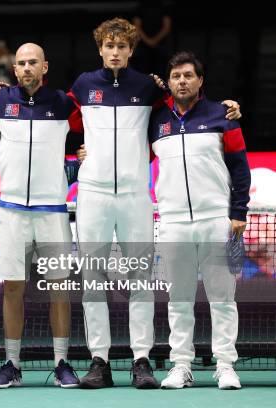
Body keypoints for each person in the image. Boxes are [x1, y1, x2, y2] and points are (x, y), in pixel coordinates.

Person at [67, 18, 241, 389]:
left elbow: (187, 108)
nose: (115, 52)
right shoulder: (82, 85)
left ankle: (141, 360)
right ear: (100, 49)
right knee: (93, 279)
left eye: (122, 47)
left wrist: (228, 108)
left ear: (131, 50)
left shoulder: (149, 88)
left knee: (139, 278)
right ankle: (99, 360)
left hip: (135, 196)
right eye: (108, 46)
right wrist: (74, 155)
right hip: (93, 194)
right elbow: (50, 117)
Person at [0, 43, 84, 389]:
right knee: (12, 287)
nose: (25, 68)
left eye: (32, 62)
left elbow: (104, 124)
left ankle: (62, 362)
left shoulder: (65, 104)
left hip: (52, 210)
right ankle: (12, 364)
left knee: (59, 290)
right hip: (11, 211)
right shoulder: (0, 101)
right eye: (20, 63)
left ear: (45, 66)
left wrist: (83, 159)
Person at [150, 51, 250, 390]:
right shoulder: (156, 120)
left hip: (216, 220)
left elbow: (240, 168)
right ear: (171, 81)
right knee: (179, 299)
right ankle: (181, 365)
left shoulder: (223, 115)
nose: (182, 81)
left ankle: (225, 365)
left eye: (188, 75)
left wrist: (238, 213)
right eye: (176, 76)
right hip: (173, 222)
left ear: (200, 80)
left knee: (222, 298)